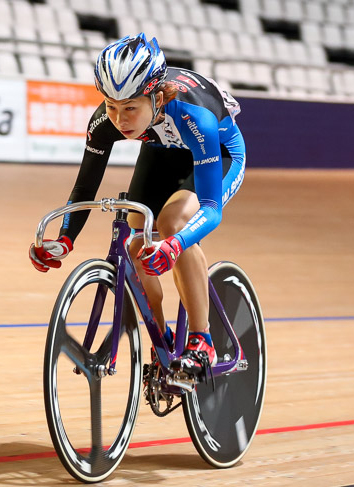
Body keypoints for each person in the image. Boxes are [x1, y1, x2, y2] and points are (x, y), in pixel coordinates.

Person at [30, 33, 246, 376]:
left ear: (157, 96)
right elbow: (85, 186)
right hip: (161, 149)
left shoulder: (195, 117)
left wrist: (174, 245)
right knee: (135, 236)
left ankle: (201, 341)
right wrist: (64, 240)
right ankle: (162, 347)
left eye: (130, 108)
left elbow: (211, 209)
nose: (120, 119)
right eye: (112, 106)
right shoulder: (107, 121)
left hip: (216, 153)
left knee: (173, 222)